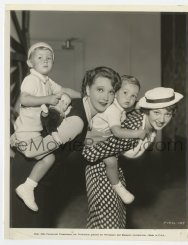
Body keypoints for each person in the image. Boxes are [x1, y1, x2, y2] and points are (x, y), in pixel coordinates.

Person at [10, 66, 121, 227]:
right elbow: (32, 151)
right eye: (100, 89)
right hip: (30, 176)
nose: (106, 97)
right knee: (28, 229)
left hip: (39, 173)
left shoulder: (79, 103)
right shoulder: (77, 121)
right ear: (88, 89)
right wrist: (15, 141)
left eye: (111, 92)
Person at [82, 87, 183, 228]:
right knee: (107, 223)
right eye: (157, 112)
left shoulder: (149, 126)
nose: (162, 119)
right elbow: (91, 153)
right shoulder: (134, 129)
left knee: (115, 220)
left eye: (168, 114)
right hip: (101, 171)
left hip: (115, 171)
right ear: (147, 111)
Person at [11, 42, 81, 212]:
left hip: (34, 132)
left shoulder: (47, 81)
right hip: (26, 132)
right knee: (44, 155)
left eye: (49, 58)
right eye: (40, 57)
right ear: (30, 63)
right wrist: (48, 99)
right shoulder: (31, 79)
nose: (45, 60)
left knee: (49, 158)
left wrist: (85, 97)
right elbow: (25, 100)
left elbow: (64, 90)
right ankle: (27, 185)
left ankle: (27, 186)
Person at [85, 75, 146, 204]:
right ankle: (118, 187)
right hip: (95, 139)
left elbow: (131, 107)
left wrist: (140, 105)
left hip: (104, 135)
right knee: (111, 162)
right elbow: (117, 132)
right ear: (116, 92)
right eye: (125, 93)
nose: (129, 98)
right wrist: (137, 133)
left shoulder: (119, 106)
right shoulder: (113, 110)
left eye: (134, 96)